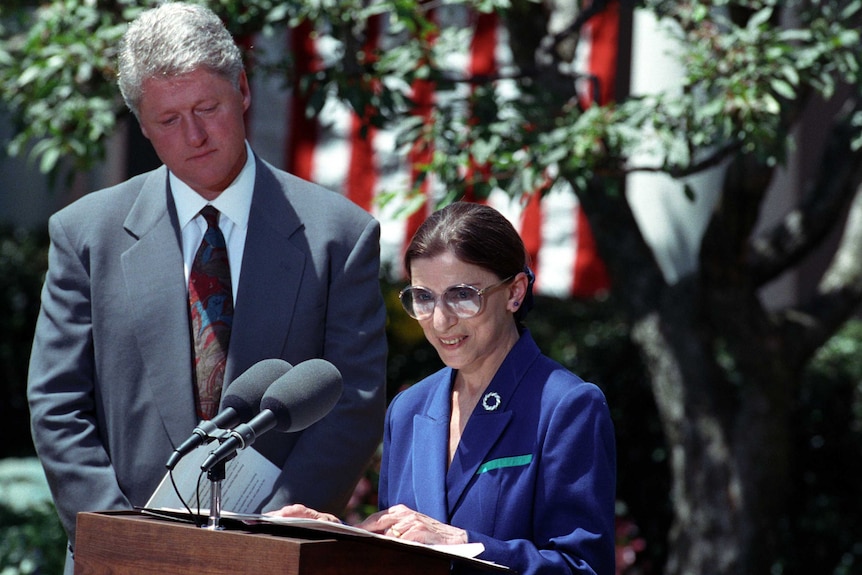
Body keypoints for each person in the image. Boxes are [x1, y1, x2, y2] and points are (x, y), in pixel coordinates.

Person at [26, 3, 387, 573]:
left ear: (242, 90)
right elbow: (58, 405)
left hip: (275, 554)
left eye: (207, 107)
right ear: (141, 125)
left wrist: (261, 539)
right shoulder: (83, 234)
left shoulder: (339, 235)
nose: (193, 135)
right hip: (120, 558)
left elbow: (355, 401)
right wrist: (127, 541)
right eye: (168, 120)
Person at [272, 202, 616, 575]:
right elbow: (409, 548)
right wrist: (339, 540)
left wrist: (465, 543)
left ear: (515, 292)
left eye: (462, 295)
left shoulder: (567, 406)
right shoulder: (408, 409)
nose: (440, 320)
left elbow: (583, 568)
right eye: (423, 297)